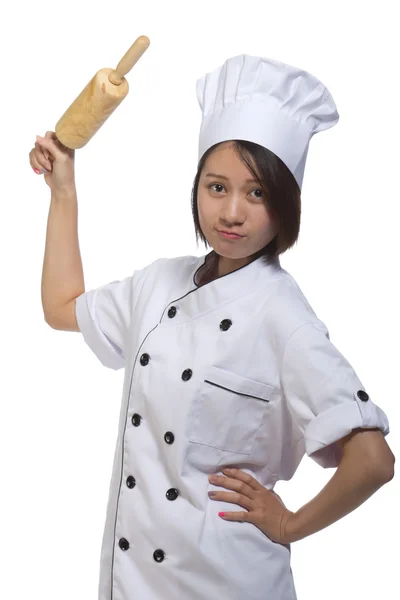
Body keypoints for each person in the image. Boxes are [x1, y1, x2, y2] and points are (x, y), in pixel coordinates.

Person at [30, 54, 395, 600]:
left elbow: (372, 460)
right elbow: (62, 307)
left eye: (257, 193)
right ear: (196, 187)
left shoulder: (284, 317)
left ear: (286, 205)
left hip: (227, 583)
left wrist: (289, 523)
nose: (231, 213)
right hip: (132, 581)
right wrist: (63, 190)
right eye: (216, 187)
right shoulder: (157, 285)